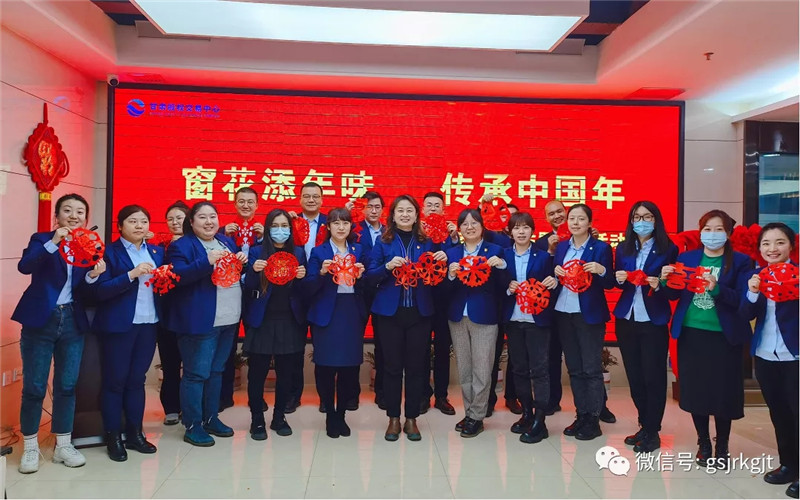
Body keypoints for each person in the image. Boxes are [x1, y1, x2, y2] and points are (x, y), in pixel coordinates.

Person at [13, 194, 105, 473]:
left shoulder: (87, 245)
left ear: (86, 218)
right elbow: (25, 266)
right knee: (35, 387)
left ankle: (63, 445)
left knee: (67, 385)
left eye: (80, 211)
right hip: (41, 320)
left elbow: (85, 292)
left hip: (72, 320)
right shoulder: (41, 239)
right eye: (67, 210)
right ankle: (31, 447)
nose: (74, 216)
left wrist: (92, 276)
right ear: (57, 216)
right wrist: (54, 241)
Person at [661, 210, 753, 468]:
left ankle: (722, 445)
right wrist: (666, 280)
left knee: (724, 393)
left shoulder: (741, 262)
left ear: (729, 233)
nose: (712, 234)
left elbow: (742, 300)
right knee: (696, 391)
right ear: (700, 232)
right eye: (707, 229)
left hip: (724, 336)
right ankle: (703, 442)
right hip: (692, 333)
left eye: (718, 229)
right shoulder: (687, 257)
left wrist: (717, 288)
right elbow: (673, 295)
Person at [165, 201, 247, 447]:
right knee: (196, 374)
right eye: (202, 217)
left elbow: (234, 273)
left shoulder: (226, 242)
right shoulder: (181, 246)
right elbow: (177, 277)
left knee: (216, 371)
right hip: (200, 321)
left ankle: (211, 418)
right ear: (191, 222)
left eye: (213, 216)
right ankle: (193, 425)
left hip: (229, 318)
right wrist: (206, 261)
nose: (209, 221)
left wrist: (241, 260)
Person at [367, 195, 447, 441]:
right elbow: (370, 275)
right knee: (391, 367)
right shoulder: (383, 241)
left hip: (419, 313)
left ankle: (411, 418)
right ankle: (393, 418)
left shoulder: (428, 241)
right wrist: (387, 267)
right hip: (389, 314)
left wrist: (442, 261)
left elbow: (438, 276)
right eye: (400, 210)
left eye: (409, 210)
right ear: (392, 215)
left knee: (416, 368)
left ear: (416, 215)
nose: (404, 214)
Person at [92, 205, 162, 461]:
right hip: (119, 325)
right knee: (115, 382)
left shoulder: (156, 251)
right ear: (120, 226)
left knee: (136, 381)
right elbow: (100, 291)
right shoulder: (108, 252)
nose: (139, 226)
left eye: (144, 221)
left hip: (149, 322)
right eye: (133, 221)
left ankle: (135, 434)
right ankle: (113, 437)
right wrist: (131, 274)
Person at [535, 199, 615, 423]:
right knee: (575, 369)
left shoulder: (601, 248)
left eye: (581, 219)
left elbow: (610, 283)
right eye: (572, 219)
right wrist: (555, 274)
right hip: (563, 312)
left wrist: (601, 270)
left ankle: (594, 418)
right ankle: (581, 415)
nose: (575, 222)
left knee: (591, 369)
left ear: (589, 223)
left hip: (589, 315)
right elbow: (556, 279)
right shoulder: (561, 247)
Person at [613, 201, 678, 453]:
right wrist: (620, 279)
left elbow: (673, 290)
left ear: (656, 220)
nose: (642, 221)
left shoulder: (668, 249)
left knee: (654, 377)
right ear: (631, 221)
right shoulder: (623, 248)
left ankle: (653, 431)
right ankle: (644, 424)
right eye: (637, 217)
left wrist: (659, 284)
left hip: (653, 319)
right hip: (627, 318)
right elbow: (617, 282)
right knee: (635, 376)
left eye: (647, 216)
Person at [741, 223, 798, 499]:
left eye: (779, 242)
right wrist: (752, 291)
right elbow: (745, 313)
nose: (772, 249)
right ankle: (788, 465)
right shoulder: (756, 275)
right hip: (765, 353)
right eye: (766, 243)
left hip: (795, 355)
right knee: (779, 413)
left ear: (791, 246)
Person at [243, 209, 307, 440]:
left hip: (289, 319)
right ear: (268, 228)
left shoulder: (298, 252)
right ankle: (257, 419)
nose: (280, 230)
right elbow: (248, 287)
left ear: (290, 229)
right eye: (276, 226)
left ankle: (279, 417)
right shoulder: (256, 251)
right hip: (262, 320)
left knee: (286, 373)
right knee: (257, 373)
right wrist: (253, 271)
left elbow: (304, 290)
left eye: (284, 226)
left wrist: (303, 277)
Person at [306, 208, 368, 438]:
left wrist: (361, 277)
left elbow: (368, 284)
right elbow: (308, 286)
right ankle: (330, 414)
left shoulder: (359, 250)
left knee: (349, 368)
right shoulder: (318, 251)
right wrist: (321, 273)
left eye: (345, 223)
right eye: (336, 223)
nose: (341, 227)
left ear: (351, 227)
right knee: (325, 366)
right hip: (326, 313)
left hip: (351, 312)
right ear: (328, 227)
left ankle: (341, 414)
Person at [445, 208, 507, 438]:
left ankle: (478, 416)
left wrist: (501, 267)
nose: (469, 227)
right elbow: (442, 290)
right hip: (457, 317)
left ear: (482, 226)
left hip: (485, 316)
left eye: (474, 223)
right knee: (465, 369)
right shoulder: (452, 253)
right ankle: (469, 412)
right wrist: (450, 276)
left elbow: (504, 286)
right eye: (465, 224)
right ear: (459, 228)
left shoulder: (495, 251)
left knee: (482, 369)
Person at [501, 211, 557, 443]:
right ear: (510, 232)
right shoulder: (503, 256)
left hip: (537, 321)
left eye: (525, 227)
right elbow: (496, 286)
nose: (521, 231)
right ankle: (526, 413)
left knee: (540, 370)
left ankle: (540, 420)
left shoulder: (543, 256)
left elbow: (552, 284)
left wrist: (553, 282)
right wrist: (508, 288)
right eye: (516, 227)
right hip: (514, 319)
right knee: (519, 369)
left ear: (532, 230)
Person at [219, 187, 264, 411]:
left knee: (257, 345)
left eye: (250, 202)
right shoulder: (224, 231)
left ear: (257, 205)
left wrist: (263, 237)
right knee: (227, 346)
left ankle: (257, 397)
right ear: (235, 204)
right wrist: (222, 234)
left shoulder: (264, 231)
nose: (246, 205)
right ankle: (224, 396)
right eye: (241, 201)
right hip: (230, 292)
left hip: (255, 295)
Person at [287, 181, 328, 413]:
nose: (311, 200)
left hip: (323, 290)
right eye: (307, 196)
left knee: (323, 347)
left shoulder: (331, 222)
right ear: (300, 199)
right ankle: (293, 395)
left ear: (322, 199)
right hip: (296, 291)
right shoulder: (289, 222)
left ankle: (325, 397)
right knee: (295, 347)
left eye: (315, 196)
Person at [420, 192, 459, 415]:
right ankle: (424, 394)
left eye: (437, 205)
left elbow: (458, 260)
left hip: (445, 300)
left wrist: (453, 240)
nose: (433, 208)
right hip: (422, 297)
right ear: (423, 209)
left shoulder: (450, 234)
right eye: (429, 205)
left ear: (444, 210)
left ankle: (442, 396)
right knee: (422, 348)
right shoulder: (416, 232)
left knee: (443, 349)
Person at [156, 200, 189, 426]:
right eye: (170, 218)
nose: (175, 222)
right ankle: (171, 408)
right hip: (166, 313)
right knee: (170, 364)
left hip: (190, 312)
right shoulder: (160, 248)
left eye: (179, 218)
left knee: (192, 366)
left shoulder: (196, 245)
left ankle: (190, 407)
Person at [353, 191, 385, 410]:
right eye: (369, 207)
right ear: (362, 209)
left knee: (384, 343)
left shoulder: (389, 231)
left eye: (377, 207)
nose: (373, 211)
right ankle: (351, 392)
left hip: (384, 292)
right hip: (360, 292)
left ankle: (382, 390)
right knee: (354, 340)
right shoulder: (354, 230)